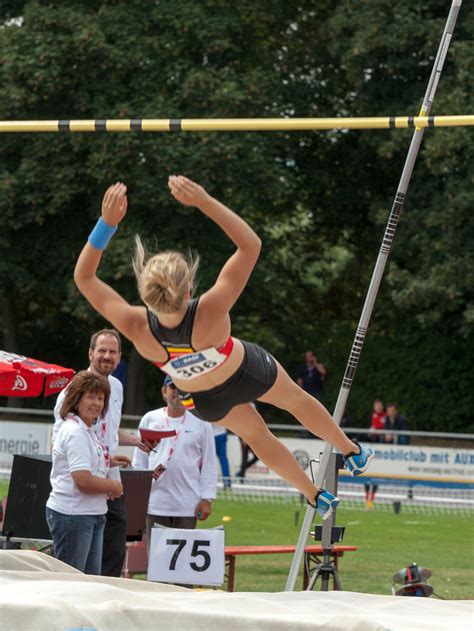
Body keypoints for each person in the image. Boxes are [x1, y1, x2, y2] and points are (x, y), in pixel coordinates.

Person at [73, 176, 374, 520]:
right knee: (296, 401)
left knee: (258, 437)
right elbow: (250, 245)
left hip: (205, 401)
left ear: (145, 293)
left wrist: (106, 224)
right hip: (246, 372)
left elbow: (84, 278)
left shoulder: (136, 325)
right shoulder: (210, 309)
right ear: (188, 291)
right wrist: (203, 201)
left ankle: (311, 494)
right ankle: (351, 452)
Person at [53, 328, 148, 577]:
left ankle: (103, 606)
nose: (107, 356)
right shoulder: (71, 393)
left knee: (111, 555)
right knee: (76, 566)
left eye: (112, 352)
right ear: (90, 353)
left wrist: (135, 442)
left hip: (109, 479)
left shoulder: (115, 386)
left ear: (119, 357)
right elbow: (67, 441)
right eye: (102, 350)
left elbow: (108, 431)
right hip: (82, 490)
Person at [46, 371, 131, 574]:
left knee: (87, 582)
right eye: (91, 397)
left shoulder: (86, 429)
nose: (97, 403)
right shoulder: (75, 432)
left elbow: (84, 464)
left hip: (89, 514)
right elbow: (82, 480)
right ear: (76, 399)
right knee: (73, 583)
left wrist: (108, 462)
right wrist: (114, 486)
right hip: (74, 515)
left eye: (100, 398)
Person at [132, 375, 217, 543]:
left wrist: (206, 499)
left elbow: (209, 464)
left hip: (187, 505)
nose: (177, 392)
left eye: (182, 387)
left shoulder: (201, 422)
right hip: (155, 503)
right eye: (173, 387)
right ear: (164, 392)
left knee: (182, 563)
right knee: (156, 559)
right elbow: (139, 461)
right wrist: (138, 498)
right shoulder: (150, 419)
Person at [212, 424, 232, 488]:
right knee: (223, 460)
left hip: (212, 434)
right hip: (221, 433)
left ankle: (207, 484)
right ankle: (227, 483)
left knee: (208, 461)